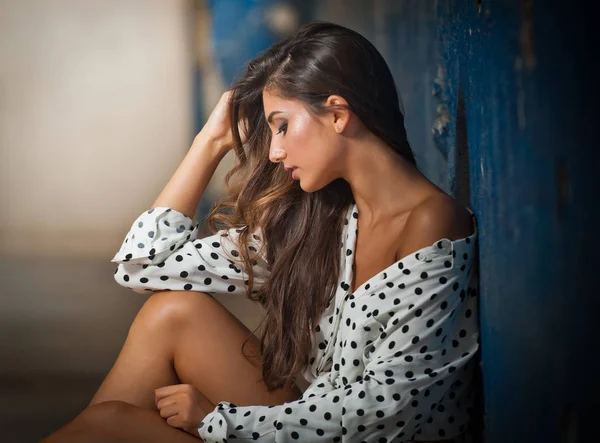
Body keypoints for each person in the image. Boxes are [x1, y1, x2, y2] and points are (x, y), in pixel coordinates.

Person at [41, 21, 479, 443]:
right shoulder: (325, 220)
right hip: (311, 417)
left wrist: (218, 422)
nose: (274, 151)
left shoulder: (433, 224)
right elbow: (143, 268)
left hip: (358, 434)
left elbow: (384, 414)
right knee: (171, 315)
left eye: (282, 125)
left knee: (114, 424)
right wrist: (211, 141)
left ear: (338, 114)